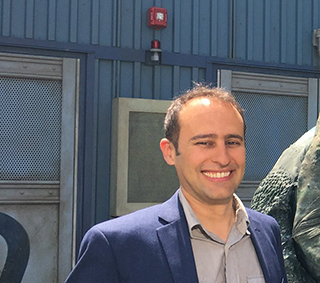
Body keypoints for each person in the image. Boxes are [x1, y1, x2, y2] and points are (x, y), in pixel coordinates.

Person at [66, 85, 286, 283]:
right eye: (205, 143)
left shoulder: (267, 231)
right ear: (169, 152)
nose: (223, 157)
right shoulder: (117, 245)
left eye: (232, 142)